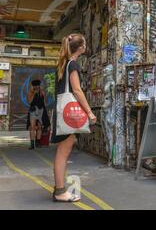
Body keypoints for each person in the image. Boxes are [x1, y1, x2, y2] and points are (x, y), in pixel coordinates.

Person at [51, 34, 96, 202]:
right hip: (70, 115)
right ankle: (60, 191)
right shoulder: (73, 65)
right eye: (85, 43)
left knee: (62, 152)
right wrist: (89, 112)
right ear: (81, 47)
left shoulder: (63, 63)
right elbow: (76, 90)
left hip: (63, 112)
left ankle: (59, 189)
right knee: (63, 153)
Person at [26, 79, 50, 150]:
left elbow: (45, 102)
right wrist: (33, 93)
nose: (37, 87)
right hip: (33, 110)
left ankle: (38, 142)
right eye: (35, 86)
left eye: (38, 86)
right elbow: (29, 101)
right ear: (33, 86)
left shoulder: (42, 92)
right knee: (32, 127)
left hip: (41, 110)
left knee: (40, 127)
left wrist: (43, 95)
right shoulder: (30, 92)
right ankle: (32, 144)